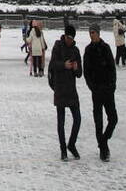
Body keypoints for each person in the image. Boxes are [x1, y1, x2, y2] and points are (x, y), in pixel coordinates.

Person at [83, 23, 117, 162]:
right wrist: (92, 87)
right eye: (90, 33)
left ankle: (103, 141)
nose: (92, 35)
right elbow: (86, 72)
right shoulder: (88, 50)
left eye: (94, 32)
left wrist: (112, 85)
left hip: (108, 89)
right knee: (98, 121)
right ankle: (104, 150)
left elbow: (112, 68)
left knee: (113, 119)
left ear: (98, 33)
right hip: (96, 91)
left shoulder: (106, 48)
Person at [49, 24, 83, 161]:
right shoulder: (57, 46)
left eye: (72, 38)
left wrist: (75, 68)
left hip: (71, 90)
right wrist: (64, 65)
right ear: (65, 36)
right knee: (61, 122)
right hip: (60, 88)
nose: (70, 40)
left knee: (78, 119)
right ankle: (63, 149)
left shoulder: (75, 50)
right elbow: (52, 65)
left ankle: (72, 144)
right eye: (68, 37)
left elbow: (80, 74)